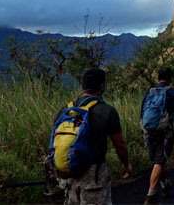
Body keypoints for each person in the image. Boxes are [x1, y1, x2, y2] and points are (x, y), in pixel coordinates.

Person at [56, 68, 132, 205]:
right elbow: (119, 144)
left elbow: (57, 141)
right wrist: (126, 164)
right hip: (94, 175)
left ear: (83, 85)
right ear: (102, 86)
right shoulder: (106, 111)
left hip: (69, 173)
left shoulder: (66, 110)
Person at [141, 67, 174, 205]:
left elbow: (142, 112)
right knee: (159, 161)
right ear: (170, 78)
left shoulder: (149, 92)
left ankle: (164, 184)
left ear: (158, 78)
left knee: (158, 160)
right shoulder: (172, 92)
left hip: (149, 131)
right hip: (165, 132)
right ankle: (151, 195)